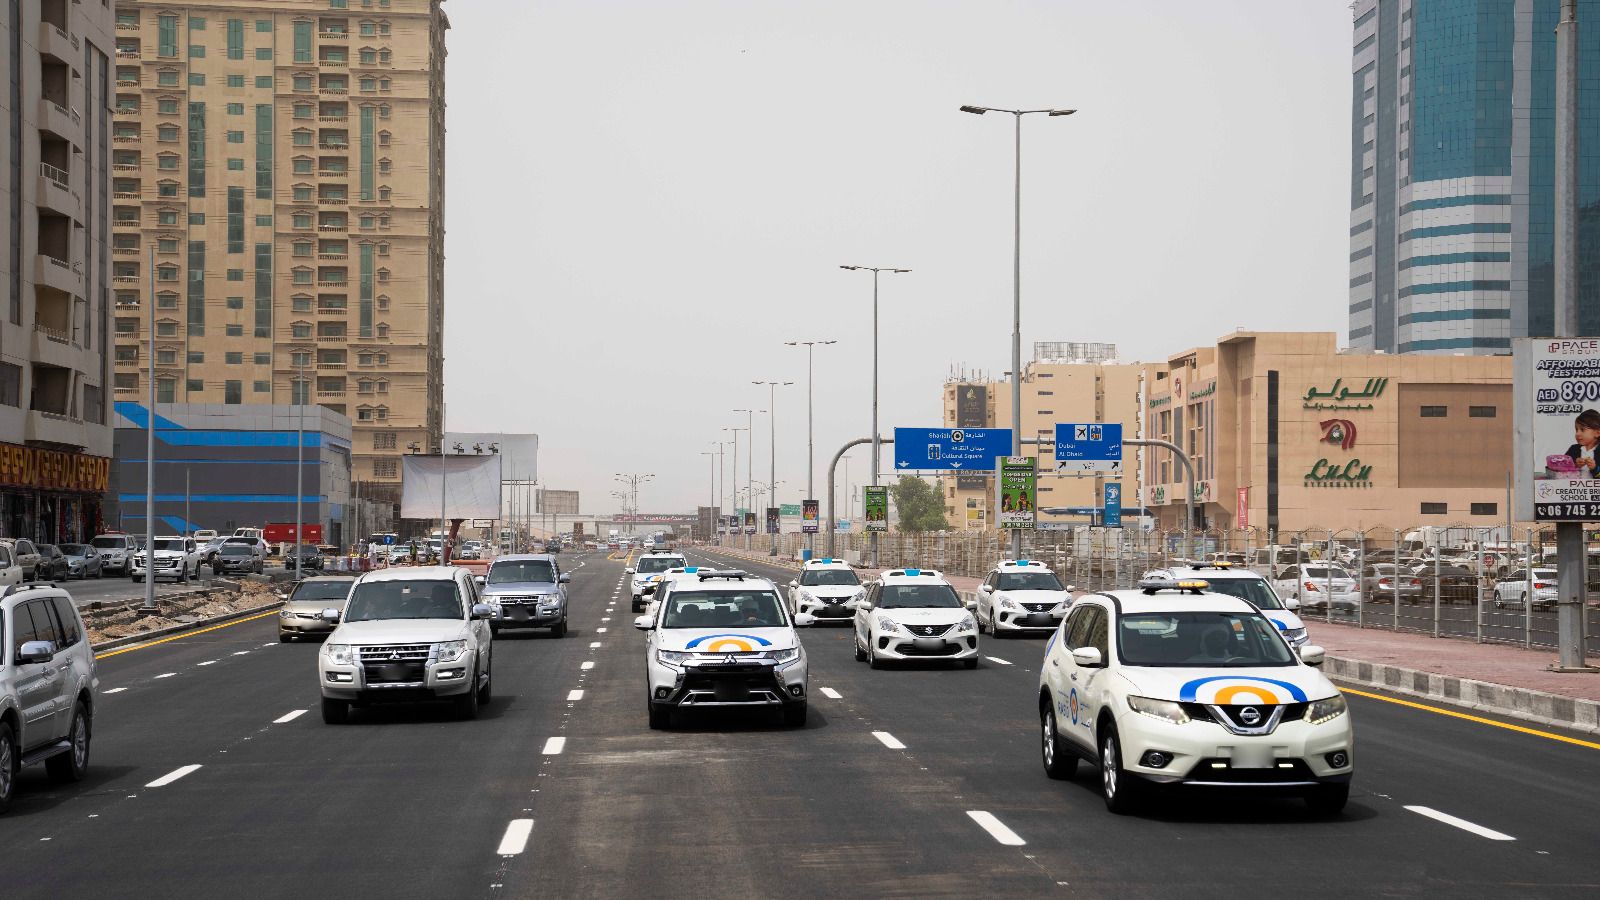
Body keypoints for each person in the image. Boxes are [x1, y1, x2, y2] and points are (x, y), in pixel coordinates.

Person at [1566, 409, 1600, 478]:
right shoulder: (1573, 449)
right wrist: (1575, 465)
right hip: (1574, 487)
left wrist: (1595, 468)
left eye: (1582, 430)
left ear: (1597, 433)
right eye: (1576, 430)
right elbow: (1561, 470)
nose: (1577, 434)